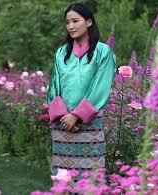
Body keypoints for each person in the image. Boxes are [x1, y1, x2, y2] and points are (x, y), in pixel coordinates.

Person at [46, 3, 116, 183]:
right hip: (62, 123)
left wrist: (76, 116)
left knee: (91, 180)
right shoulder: (61, 53)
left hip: (89, 123)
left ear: (89, 22)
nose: (71, 26)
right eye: (67, 22)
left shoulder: (103, 52)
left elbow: (100, 87)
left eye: (75, 21)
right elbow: (54, 86)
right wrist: (65, 116)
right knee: (63, 181)